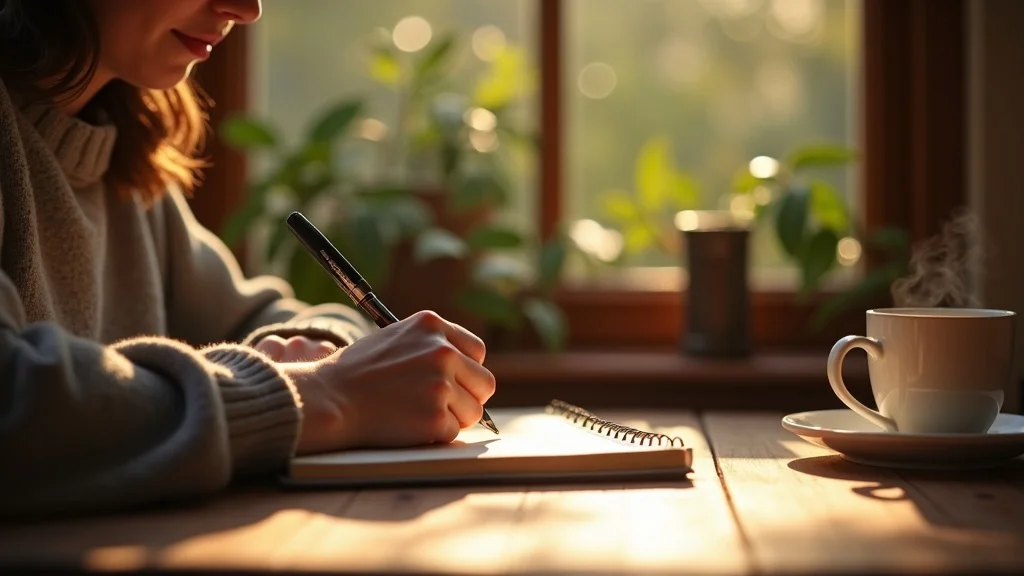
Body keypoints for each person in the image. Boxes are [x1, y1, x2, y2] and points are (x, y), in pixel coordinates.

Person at [0, 0, 496, 518]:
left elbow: (254, 318)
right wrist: (325, 395)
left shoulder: (127, 167)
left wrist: (319, 349)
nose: (246, 9)